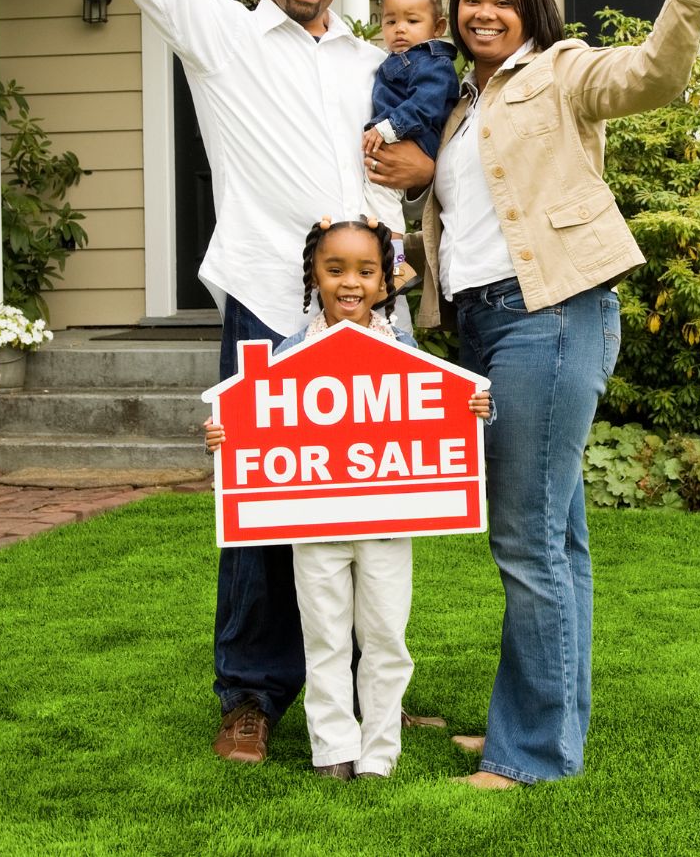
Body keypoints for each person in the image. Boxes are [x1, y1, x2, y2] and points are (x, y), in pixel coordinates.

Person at [93, 0, 438, 766]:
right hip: (266, 304)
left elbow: (396, 176)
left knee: (377, 511)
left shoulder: (375, 62)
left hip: (375, 314)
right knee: (263, 509)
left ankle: (371, 692)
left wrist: (405, 241)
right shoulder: (216, 36)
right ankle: (251, 691)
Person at [417, 0, 700, 789]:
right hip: (482, 322)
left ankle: (534, 752)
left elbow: (653, 74)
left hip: (550, 311)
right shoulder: (458, 104)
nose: (482, 10)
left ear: (532, 9)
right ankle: (542, 718)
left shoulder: (561, 71)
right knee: (556, 539)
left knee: (525, 540)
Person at [205, 217, 493, 781]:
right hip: (314, 529)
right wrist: (225, 436)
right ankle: (332, 750)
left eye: (366, 270)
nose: (350, 283)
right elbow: (256, 425)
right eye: (334, 269)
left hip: (388, 528)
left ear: (387, 282)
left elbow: (442, 421)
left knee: (386, 638)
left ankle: (380, 753)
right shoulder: (289, 354)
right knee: (325, 639)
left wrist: (474, 413)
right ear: (314, 276)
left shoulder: (406, 353)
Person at [360, 0, 461, 289]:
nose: (399, 29)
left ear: (438, 27)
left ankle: (398, 265)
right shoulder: (397, 59)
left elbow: (426, 106)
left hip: (414, 141)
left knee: (381, 196)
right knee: (375, 200)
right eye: (390, 21)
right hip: (401, 138)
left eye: (412, 21)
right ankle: (386, 260)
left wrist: (387, 129)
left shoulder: (432, 63)